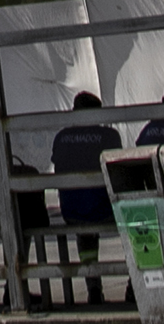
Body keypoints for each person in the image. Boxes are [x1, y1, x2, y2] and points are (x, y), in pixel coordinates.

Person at [49, 91, 123, 305]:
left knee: (85, 229)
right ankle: (133, 287)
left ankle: (93, 286)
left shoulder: (62, 136)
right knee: (137, 219)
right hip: (106, 210)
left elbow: (58, 162)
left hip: (72, 212)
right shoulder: (110, 137)